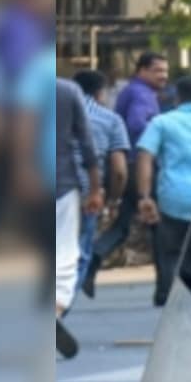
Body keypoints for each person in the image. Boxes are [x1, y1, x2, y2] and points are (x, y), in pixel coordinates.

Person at [84, 51, 169, 294]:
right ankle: (165, 286)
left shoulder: (136, 91)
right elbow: (136, 124)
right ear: (141, 70)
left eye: (165, 71)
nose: (163, 76)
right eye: (158, 70)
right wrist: (156, 141)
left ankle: (95, 259)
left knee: (123, 225)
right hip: (138, 165)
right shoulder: (142, 94)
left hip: (129, 165)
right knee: (158, 225)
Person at [135, 76, 191, 307]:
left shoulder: (162, 122)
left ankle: (168, 297)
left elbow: (145, 156)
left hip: (174, 198)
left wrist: (145, 196)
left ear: (177, 98)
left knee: (171, 252)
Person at [41, 73, 102, 358]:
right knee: (65, 255)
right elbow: (87, 143)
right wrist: (96, 189)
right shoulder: (68, 90)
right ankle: (54, 309)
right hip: (63, 182)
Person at [71, 70, 130, 299]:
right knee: (79, 255)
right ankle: (58, 309)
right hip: (88, 195)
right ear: (100, 93)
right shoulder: (111, 119)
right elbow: (119, 171)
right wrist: (113, 199)